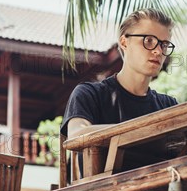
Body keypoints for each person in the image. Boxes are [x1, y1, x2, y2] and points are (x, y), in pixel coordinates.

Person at [61, 8, 178, 141]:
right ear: (124, 42)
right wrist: (146, 129)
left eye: (164, 45)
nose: (158, 51)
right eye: (149, 40)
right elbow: (77, 135)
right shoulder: (90, 94)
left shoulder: (168, 106)